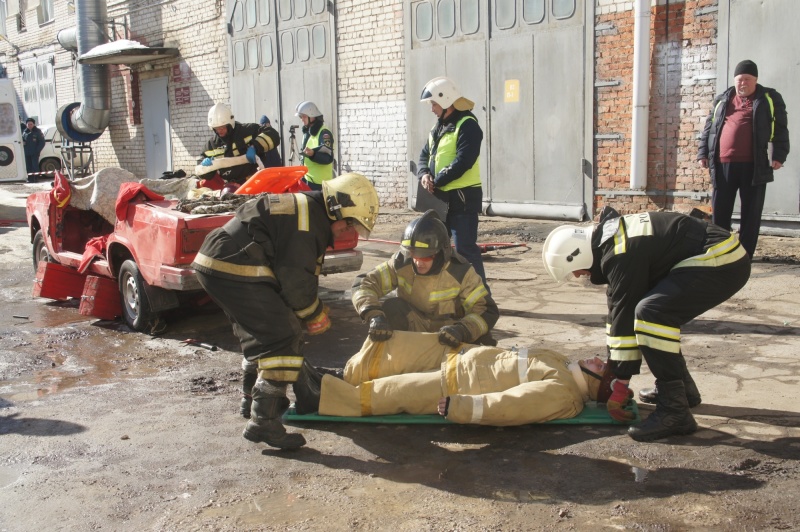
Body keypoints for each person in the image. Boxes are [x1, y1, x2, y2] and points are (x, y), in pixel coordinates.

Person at [192, 172, 379, 449]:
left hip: (220, 263)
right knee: (283, 336)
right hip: (235, 265)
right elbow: (296, 282)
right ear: (337, 208)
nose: (348, 231)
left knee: (260, 334)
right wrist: (314, 315)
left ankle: (250, 399)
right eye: (349, 223)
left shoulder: (308, 212)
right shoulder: (308, 223)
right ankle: (263, 421)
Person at [542, 206, 751, 442]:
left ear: (577, 254)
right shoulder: (612, 243)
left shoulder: (619, 253)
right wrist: (616, 370)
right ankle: (683, 392)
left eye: (575, 271)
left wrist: (619, 385)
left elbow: (626, 314)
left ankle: (675, 411)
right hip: (716, 253)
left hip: (720, 259)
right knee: (655, 313)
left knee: (652, 314)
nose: (580, 276)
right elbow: (618, 315)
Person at [308, 332, 614, 426]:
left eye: (601, 366)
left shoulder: (564, 394)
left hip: (458, 386)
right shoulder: (563, 365)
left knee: (392, 392)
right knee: (398, 350)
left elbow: (514, 405)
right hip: (460, 360)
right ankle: (341, 376)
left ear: (595, 384)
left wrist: (462, 407)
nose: (597, 359)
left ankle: (322, 397)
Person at [352, 209, 499, 347]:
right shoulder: (401, 263)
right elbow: (364, 284)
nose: (418, 262)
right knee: (393, 308)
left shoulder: (461, 272)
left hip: (451, 336)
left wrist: (462, 331)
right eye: (413, 255)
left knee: (482, 338)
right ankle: (399, 360)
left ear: (443, 252)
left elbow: (486, 311)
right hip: (414, 329)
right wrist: (373, 315)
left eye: (426, 256)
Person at [697, 59, 790, 258]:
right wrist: (702, 153)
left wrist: (779, 155)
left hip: (753, 165)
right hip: (723, 165)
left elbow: (781, 128)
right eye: (739, 79)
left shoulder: (768, 99)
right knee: (721, 212)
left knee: (751, 213)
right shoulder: (723, 99)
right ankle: (720, 252)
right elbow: (709, 128)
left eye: (747, 79)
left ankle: (744, 255)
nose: (742, 83)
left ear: (755, 80)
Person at [416, 76, 488, 289]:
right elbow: (423, 156)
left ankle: (482, 299)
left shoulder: (468, 125)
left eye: (434, 104)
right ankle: (446, 294)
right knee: (438, 248)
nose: (432, 109)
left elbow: (464, 161)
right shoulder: (438, 128)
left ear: (446, 101)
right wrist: (424, 175)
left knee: (465, 249)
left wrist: (436, 180)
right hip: (439, 199)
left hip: (462, 198)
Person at [199, 103, 281, 185]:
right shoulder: (212, 145)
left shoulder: (247, 131)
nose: (219, 131)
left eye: (222, 127)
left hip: (254, 182)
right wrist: (205, 167)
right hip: (230, 188)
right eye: (216, 128)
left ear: (230, 124)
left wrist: (255, 146)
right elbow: (203, 174)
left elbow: (273, 135)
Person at [295, 101, 334, 190]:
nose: (302, 119)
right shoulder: (308, 133)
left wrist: (313, 154)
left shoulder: (324, 134)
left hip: (320, 184)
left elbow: (328, 158)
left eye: (304, 116)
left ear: (312, 116)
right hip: (307, 180)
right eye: (301, 117)